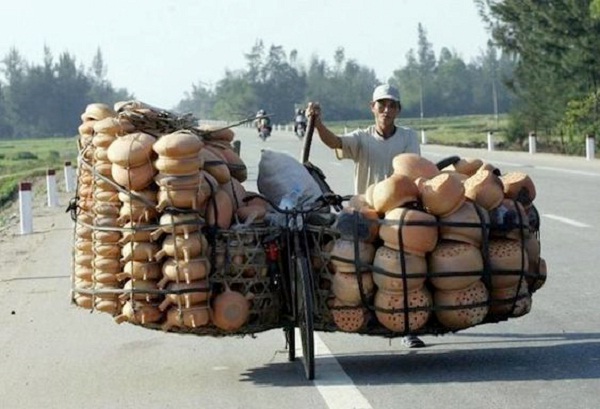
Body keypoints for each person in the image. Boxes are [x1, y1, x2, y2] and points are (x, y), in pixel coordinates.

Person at [306, 83, 426, 349]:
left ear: (398, 110)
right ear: (372, 108)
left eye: (391, 105)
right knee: (358, 269)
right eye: (381, 104)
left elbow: (415, 171)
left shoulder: (408, 138)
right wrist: (317, 124)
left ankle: (406, 327)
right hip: (366, 215)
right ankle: (367, 313)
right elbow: (335, 142)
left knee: (402, 272)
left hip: (399, 214)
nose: (386, 109)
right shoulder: (361, 138)